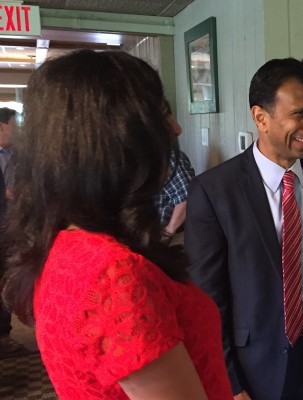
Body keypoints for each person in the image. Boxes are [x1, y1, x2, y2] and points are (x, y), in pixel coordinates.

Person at [0, 49, 232, 400]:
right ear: (113, 138)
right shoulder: (115, 275)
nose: (175, 128)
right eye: (161, 113)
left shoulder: (63, 244)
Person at [185, 58, 303, 400]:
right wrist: (228, 382)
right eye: (299, 114)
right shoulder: (215, 190)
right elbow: (207, 299)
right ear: (260, 117)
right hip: (255, 361)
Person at [0, 106, 23, 356]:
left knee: (7, 281)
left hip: (11, 226)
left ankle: (3, 336)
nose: (18, 132)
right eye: (14, 127)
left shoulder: (19, 155)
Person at [155, 101, 195, 244]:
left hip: (170, 240)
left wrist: (168, 232)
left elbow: (188, 196)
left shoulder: (169, 157)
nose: (177, 129)